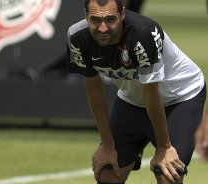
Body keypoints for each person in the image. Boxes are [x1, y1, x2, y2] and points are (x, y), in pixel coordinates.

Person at [67, 0, 206, 183]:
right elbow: (93, 89)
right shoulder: (77, 37)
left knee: (167, 173)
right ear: (86, 16)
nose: (102, 28)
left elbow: (151, 92)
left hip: (180, 97)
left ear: (122, 14)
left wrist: (164, 147)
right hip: (132, 100)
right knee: (107, 173)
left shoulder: (143, 33)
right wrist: (107, 145)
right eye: (95, 20)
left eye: (110, 19)